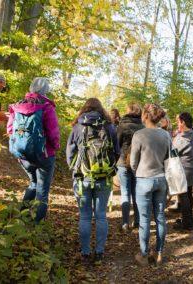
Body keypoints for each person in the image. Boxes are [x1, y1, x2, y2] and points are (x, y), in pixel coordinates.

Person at [66, 98, 119, 264]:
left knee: (85, 216)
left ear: (85, 108)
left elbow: (70, 153)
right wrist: (107, 168)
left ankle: (85, 252)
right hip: (104, 177)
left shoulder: (77, 126)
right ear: (101, 109)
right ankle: (100, 252)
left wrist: (75, 168)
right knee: (101, 216)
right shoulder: (109, 126)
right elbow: (116, 152)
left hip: (83, 178)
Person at [7, 77, 60, 223]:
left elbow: (10, 129)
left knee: (33, 184)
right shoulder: (47, 107)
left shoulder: (17, 106)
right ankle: (37, 225)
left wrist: (18, 148)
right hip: (44, 154)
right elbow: (53, 133)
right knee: (42, 191)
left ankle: (20, 219)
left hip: (23, 154)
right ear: (46, 90)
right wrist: (55, 148)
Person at [130, 103, 170, 266]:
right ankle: (159, 253)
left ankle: (144, 255)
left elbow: (133, 162)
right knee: (160, 217)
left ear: (145, 116)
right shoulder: (166, 135)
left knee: (145, 219)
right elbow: (169, 158)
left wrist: (137, 172)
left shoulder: (139, 135)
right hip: (161, 180)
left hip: (143, 180)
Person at [117, 103, 144, 231]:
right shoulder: (143, 126)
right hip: (138, 163)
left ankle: (125, 223)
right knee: (136, 192)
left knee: (125, 193)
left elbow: (117, 143)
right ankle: (138, 221)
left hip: (123, 161)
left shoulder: (122, 125)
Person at [172, 112, 193, 231]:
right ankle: (189, 220)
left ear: (183, 122)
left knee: (183, 197)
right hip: (192, 169)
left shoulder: (181, 137)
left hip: (182, 170)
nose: (177, 124)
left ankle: (187, 224)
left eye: (178, 122)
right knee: (188, 195)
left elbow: (172, 153)